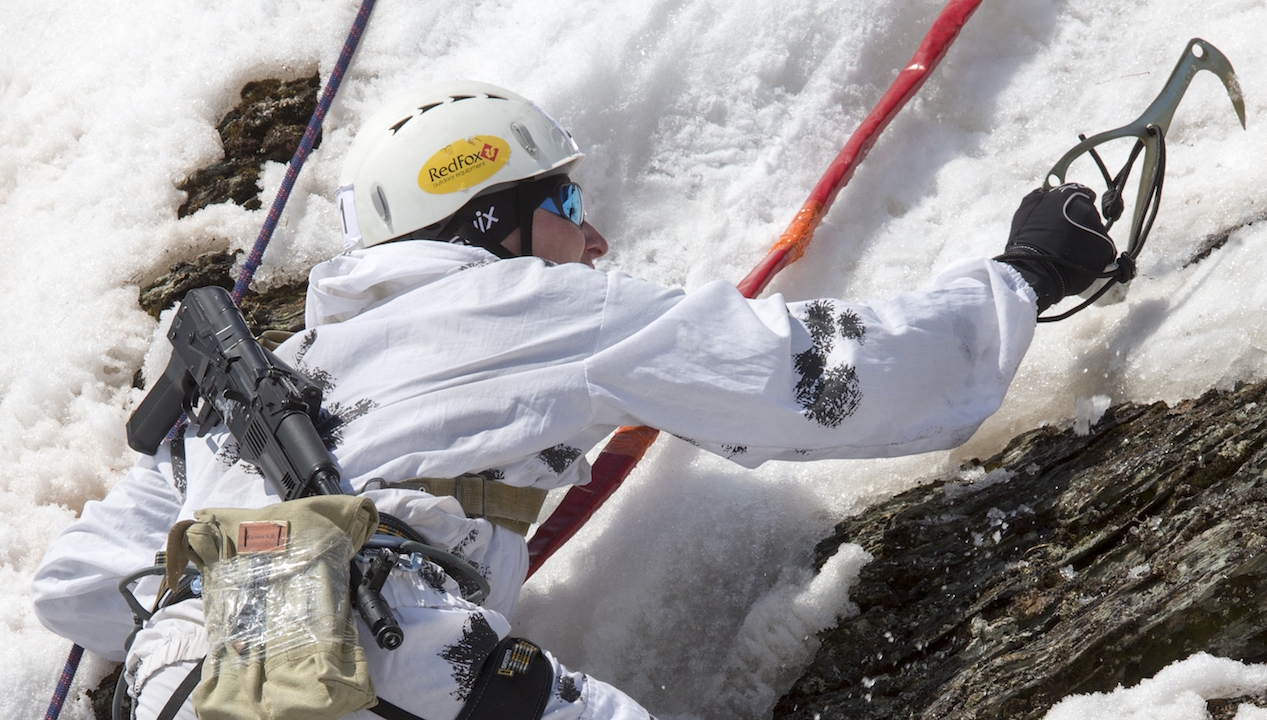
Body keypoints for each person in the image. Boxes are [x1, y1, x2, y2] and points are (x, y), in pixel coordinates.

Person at [30, 80, 1117, 720]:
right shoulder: (535, 308)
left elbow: (78, 588)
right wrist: (1021, 274)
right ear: (487, 223)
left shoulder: (265, 383)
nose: (592, 236)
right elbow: (823, 378)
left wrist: (257, 609)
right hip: (409, 661)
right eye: (564, 201)